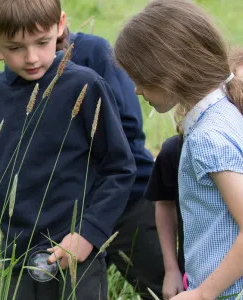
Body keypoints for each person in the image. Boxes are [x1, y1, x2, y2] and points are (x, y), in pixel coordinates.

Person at [0, 0, 137, 299]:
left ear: (60, 25)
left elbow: (120, 169)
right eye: (16, 47)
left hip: (77, 261)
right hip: (18, 263)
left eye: (43, 42)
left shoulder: (86, 86)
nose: (32, 57)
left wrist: (87, 235)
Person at [113, 0, 243, 298]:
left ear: (169, 69)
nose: (136, 89)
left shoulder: (208, 138)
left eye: (140, 78)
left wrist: (203, 293)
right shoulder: (231, 108)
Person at [145, 46, 243, 299]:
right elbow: (164, 205)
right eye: (237, 91)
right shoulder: (181, 149)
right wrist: (172, 269)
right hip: (200, 275)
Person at [61, 26, 166, 298]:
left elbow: (129, 127)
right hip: (70, 214)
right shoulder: (21, 68)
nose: (31, 55)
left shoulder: (93, 52)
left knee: (165, 289)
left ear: (59, 21)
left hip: (128, 200)